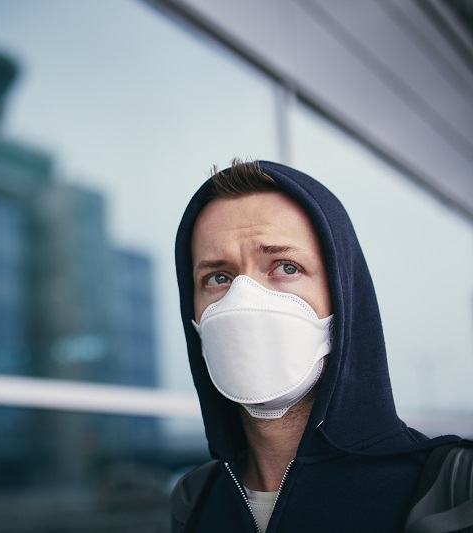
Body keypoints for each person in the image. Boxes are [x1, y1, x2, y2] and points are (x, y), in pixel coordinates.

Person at [172, 160, 464, 532]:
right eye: (218, 277)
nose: (242, 299)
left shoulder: (447, 491)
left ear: (343, 295)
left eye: (286, 267)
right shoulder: (195, 502)